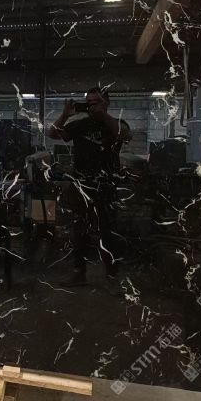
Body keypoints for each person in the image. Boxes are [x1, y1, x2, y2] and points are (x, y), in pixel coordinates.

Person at [48, 87, 131, 287]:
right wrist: (65, 115)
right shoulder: (80, 125)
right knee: (79, 232)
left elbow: (126, 135)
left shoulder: (115, 124)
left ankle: (112, 277)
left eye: (97, 102)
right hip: (82, 186)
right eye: (89, 102)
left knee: (108, 232)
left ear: (106, 103)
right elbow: (53, 134)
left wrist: (103, 115)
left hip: (105, 185)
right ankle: (79, 274)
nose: (92, 106)